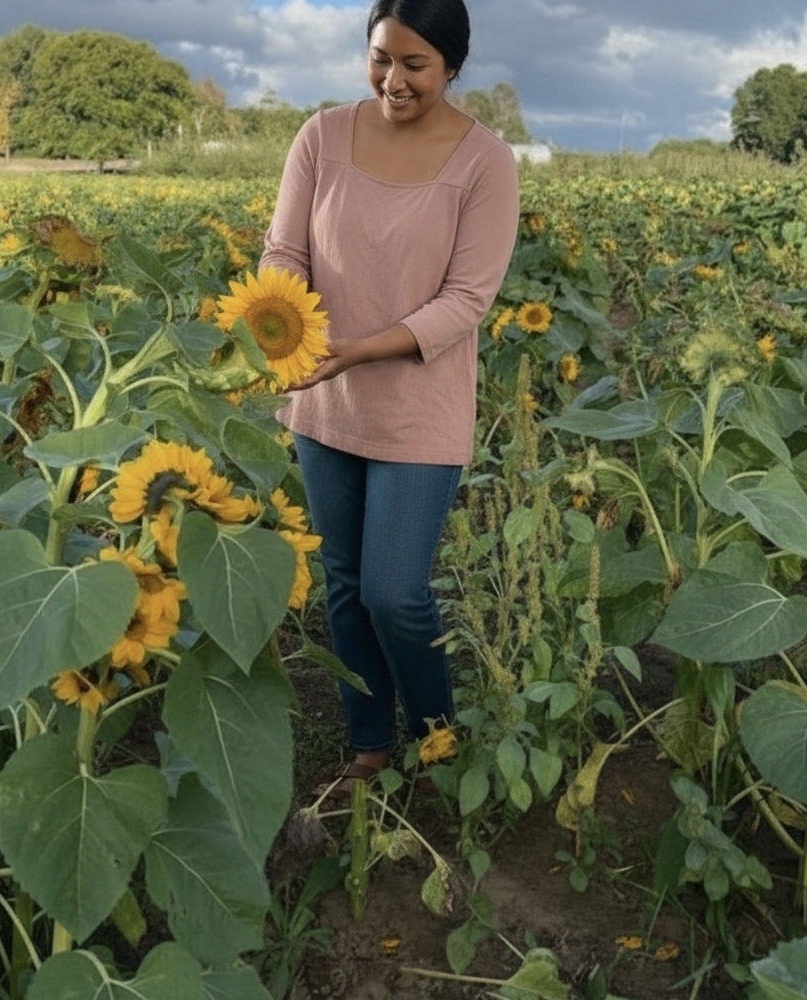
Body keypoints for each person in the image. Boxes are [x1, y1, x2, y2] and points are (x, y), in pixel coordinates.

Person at [260, 0, 520, 790]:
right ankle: (370, 744)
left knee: (395, 591)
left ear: (452, 66)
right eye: (380, 58)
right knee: (343, 584)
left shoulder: (485, 162)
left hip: (417, 406)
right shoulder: (322, 135)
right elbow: (286, 247)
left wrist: (359, 350)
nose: (393, 80)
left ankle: (437, 736)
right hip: (324, 400)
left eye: (415, 65)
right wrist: (284, 316)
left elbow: (467, 298)